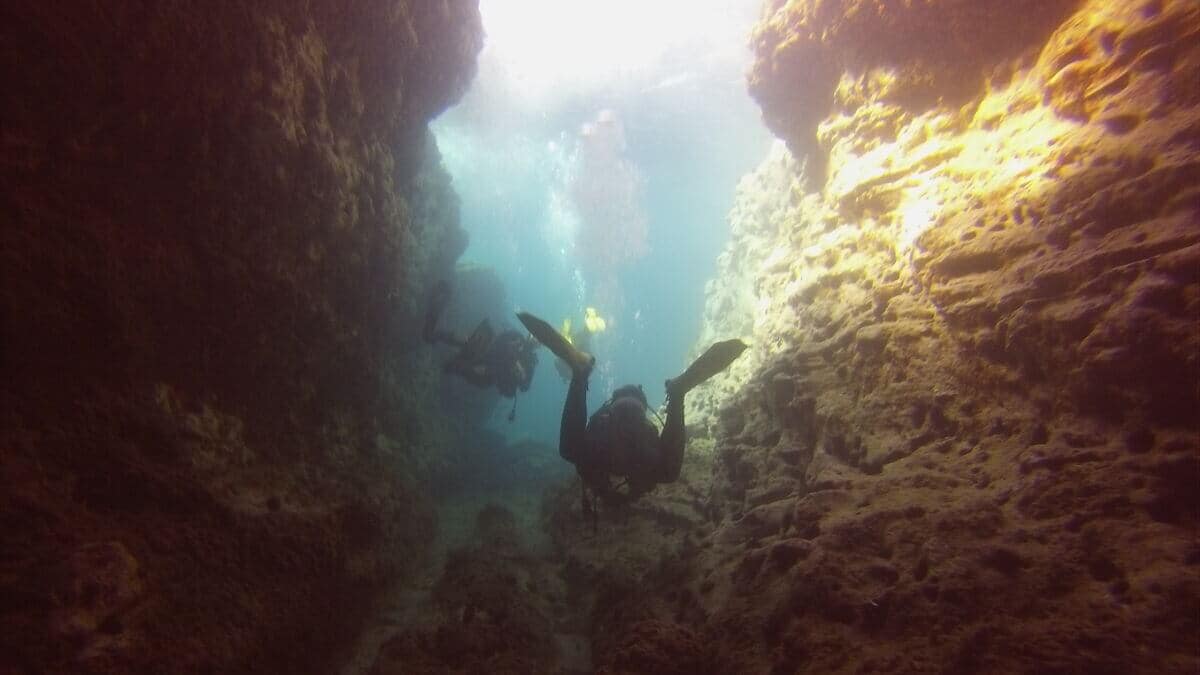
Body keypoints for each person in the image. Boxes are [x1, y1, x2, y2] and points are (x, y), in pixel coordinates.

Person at [516, 312, 747, 518]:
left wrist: (607, 490)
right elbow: (640, 471)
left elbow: (588, 467)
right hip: (636, 434)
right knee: (666, 472)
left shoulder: (602, 448)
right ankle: (676, 394)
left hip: (610, 434)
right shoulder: (637, 445)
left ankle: (580, 372)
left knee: (571, 451)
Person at [423, 281, 539, 417]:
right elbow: (500, 338)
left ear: (539, 346)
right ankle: (434, 334)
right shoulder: (516, 336)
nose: (534, 340)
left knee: (458, 368)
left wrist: (522, 375)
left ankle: (442, 362)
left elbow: (525, 387)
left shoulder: (530, 362)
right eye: (534, 336)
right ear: (529, 333)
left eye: (538, 341)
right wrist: (508, 347)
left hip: (490, 376)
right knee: (468, 343)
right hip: (487, 353)